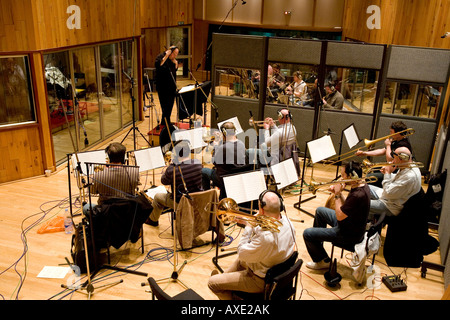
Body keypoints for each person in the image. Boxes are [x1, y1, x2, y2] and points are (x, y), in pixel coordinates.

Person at [208, 190, 296, 300]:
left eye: (259, 207)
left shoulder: (266, 239)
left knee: (212, 283)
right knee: (238, 264)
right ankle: (223, 280)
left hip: (259, 280)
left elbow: (241, 252)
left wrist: (248, 227)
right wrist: (248, 221)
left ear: (262, 210)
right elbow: (264, 230)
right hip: (273, 267)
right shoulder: (288, 223)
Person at [303, 161, 370, 270]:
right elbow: (347, 208)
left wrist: (337, 194)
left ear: (351, 176)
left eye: (343, 175)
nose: (341, 177)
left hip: (349, 234)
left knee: (307, 233)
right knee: (320, 211)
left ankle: (322, 260)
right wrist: (338, 193)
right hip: (349, 224)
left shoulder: (358, 195)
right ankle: (319, 250)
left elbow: (340, 216)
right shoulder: (361, 185)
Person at [146, 140, 203, 226]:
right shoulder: (197, 163)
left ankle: (153, 220)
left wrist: (170, 166)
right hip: (198, 201)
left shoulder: (172, 169)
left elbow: (164, 181)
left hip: (181, 203)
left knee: (157, 197)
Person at [367, 147, 422, 220]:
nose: (392, 161)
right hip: (390, 197)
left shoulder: (409, 177)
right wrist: (390, 174)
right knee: (363, 188)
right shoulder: (408, 165)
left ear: (400, 159)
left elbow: (388, 193)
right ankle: (369, 220)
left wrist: (387, 174)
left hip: (391, 206)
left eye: (394, 158)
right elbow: (398, 181)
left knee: (358, 203)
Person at [84, 142, 140, 212]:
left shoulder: (98, 176)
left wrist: (96, 175)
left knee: (85, 207)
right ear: (123, 158)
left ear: (109, 158)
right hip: (127, 211)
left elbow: (92, 191)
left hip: (106, 212)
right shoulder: (134, 172)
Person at [356, 121, 413, 187]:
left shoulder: (403, 145)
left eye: (391, 132)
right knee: (371, 171)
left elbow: (390, 159)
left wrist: (388, 145)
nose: (389, 134)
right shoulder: (396, 141)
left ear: (398, 133)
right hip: (391, 167)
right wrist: (365, 153)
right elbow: (384, 151)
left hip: (396, 171)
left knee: (369, 177)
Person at [202, 121, 249, 199]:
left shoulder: (223, 148)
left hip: (224, 179)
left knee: (203, 171)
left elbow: (214, 162)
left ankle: (207, 198)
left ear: (224, 133)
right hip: (236, 177)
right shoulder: (241, 143)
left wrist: (216, 145)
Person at [261, 108, 299, 174]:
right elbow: (279, 136)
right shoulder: (293, 128)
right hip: (285, 154)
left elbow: (267, 143)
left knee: (252, 151)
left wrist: (266, 129)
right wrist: (273, 125)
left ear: (281, 117)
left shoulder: (279, 132)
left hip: (275, 155)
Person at [155, 46, 179, 127]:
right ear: (170, 52)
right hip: (163, 87)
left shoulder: (172, 61)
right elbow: (159, 65)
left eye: (177, 54)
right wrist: (166, 55)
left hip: (171, 87)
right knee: (165, 106)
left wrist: (176, 64)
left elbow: (173, 72)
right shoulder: (161, 57)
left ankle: (165, 122)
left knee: (170, 105)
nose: (175, 56)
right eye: (174, 54)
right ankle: (165, 123)